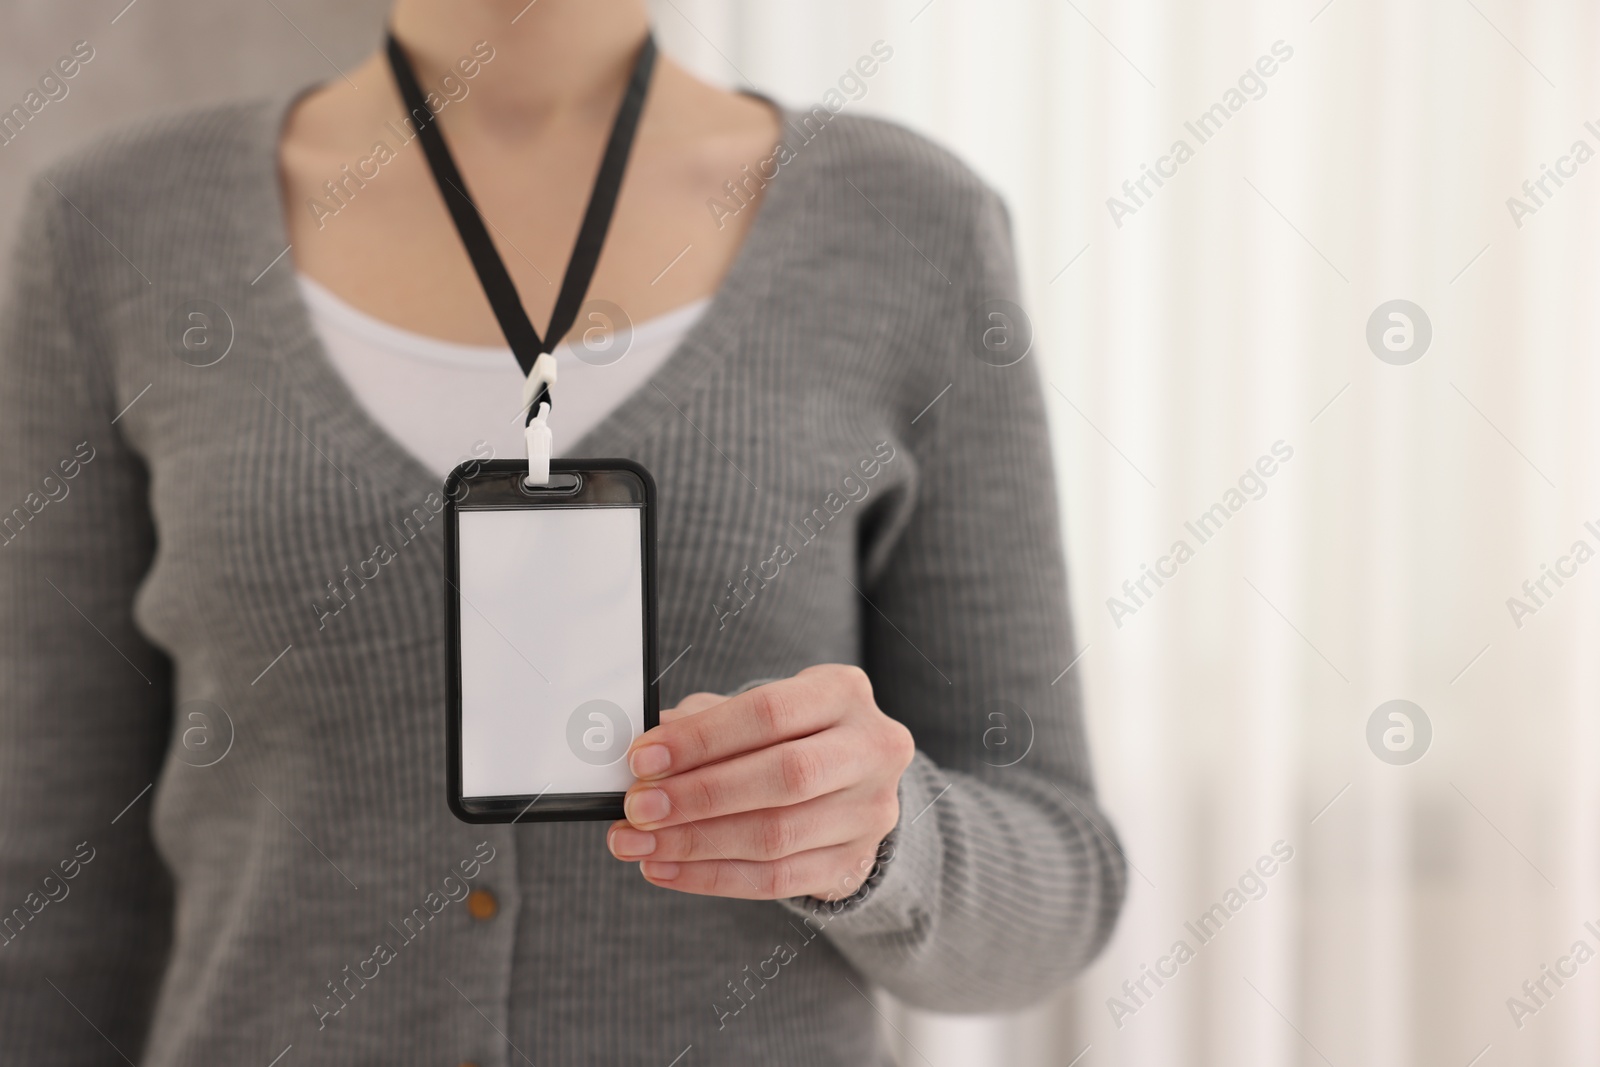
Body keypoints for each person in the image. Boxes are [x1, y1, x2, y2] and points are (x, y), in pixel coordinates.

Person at [0, 0, 1126, 1062]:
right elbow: (48, 883)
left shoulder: (909, 226)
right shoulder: (113, 230)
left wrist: (883, 840)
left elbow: (1063, 875)